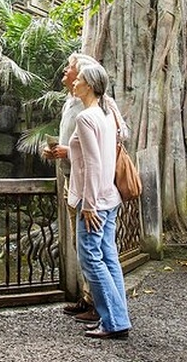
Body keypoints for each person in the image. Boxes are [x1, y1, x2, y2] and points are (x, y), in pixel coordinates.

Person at [68, 63, 131, 339]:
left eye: (79, 79)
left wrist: (89, 204)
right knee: (109, 257)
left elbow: (93, 163)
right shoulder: (106, 115)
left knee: (91, 259)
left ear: (90, 86)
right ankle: (118, 318)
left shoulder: (86, 118)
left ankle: (114, 322)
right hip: (110, 196)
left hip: (95, 200)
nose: (74, 82)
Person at [42, 53, 99, 323]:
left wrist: (66, 152)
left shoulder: (94, 106)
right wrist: (57, 152)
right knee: (80, 243)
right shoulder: (70, 101)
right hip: (70, 179)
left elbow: (97, 150)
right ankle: (89, 298)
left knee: (91, 245)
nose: (64, 71)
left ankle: (100, 305)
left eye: (70, 68)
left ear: (84, 78)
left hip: (87, 183)